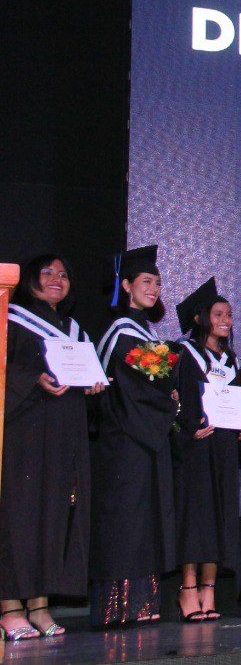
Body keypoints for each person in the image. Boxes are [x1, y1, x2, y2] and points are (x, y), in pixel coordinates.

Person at [1, 255, 103, 640]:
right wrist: (34, 379)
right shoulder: (11, 319)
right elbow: (3, 369)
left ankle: (40, 606)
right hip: (24, 436)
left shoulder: (74, 330)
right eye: (47, 273)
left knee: (53, 517)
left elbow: (83, 381)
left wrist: (93, 385)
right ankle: (10, 607)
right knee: (20, 518)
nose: (56, 279)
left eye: (63, 274)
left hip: (63, 437)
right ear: (30, 279)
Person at [89, 244, 177, 627]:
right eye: (145, 281)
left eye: (157, 282)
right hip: (125, 439)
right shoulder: (120, 331)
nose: (153, 288)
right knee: (125, 517)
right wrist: (169, 398)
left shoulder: (145, 331)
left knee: (145, 516)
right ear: (125, 285)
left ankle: (142, 603)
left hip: (145, 437)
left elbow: (156, 379)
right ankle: (117, 606)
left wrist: (168, 391)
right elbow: (136, 387)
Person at [171, 278, 241, 622]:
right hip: (197, 447)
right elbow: (174, 401)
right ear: (199, 318)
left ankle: (210, 589)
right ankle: (188, 588)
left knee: (220, 517)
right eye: (218, 314)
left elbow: (239, 400)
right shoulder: (183, 354)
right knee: (196, 518)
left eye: (229, 315)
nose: (226, 320)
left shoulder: (231, 359)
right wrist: (187, 426)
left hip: (223, 449)